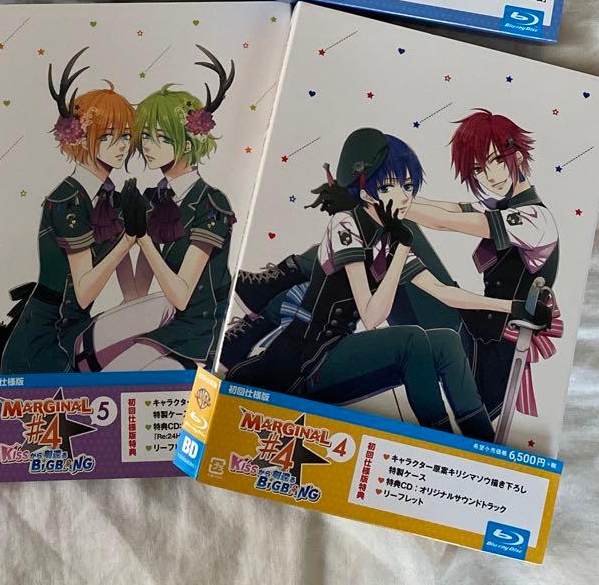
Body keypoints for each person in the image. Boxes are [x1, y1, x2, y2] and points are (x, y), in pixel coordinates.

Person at [227, 130, 537, 441]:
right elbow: (372, 315)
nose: (402, 197)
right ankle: (441, 440)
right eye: (389, 187)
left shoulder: (390, 238)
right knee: (412, 340)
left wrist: (513, 308)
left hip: (336, 352)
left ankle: (481, 441)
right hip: (306, 361)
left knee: (446, 341)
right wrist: (401, 249)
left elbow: (443, 292)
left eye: (408, 186)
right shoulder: (345, 225)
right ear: (365, 192)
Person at [78, 50, 238, 370]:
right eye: (145, 136)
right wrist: (126, 233)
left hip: (203, 326)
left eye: (160, 137)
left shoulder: (211, 203)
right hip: (167, 315)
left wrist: (142, 239)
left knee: (119, 371)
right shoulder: (158, 198)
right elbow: (137, 294)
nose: (147, 145)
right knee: (85, 349)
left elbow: (181, 296)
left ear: (188, 145)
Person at [407, 110, 559, 421]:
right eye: (478, 168)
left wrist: (389, 204)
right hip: (479, 333)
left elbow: (446, 222)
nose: (490, 176)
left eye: (497, 160)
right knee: (399, 236)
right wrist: (393, 198)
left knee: (403, 237)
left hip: (491, 357)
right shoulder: (505, 207)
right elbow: (452, 209)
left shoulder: (534, 219)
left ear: (517, 154)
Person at [0, 53, 141, 375]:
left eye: (125, 135)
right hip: (44, 339)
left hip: (78, 329)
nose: (121, 145)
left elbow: (129, 290)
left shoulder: (115, 201)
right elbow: (85, 290)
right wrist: (129, 240)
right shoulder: (67, 201)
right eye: (108, 136)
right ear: (82, 138)